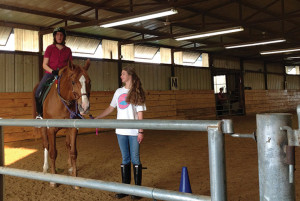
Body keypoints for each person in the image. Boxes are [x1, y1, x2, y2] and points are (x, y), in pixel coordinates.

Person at [95, 66, 146, 200]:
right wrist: (98, 117)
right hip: (121, 131)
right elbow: (111, 108)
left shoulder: (137, 92)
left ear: (129, 76)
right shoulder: (118, 92)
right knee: (125, 159)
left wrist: (141, 131)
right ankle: (125, 188)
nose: (121, 76)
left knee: (135, 158)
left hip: (134, 131)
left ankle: (137, 191)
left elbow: (140, 114)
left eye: (123, 74)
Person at [35, 27, 72, 119]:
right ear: (55, 36)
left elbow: (70, 65)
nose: (59, 36)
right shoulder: (49, 48)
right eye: (57, 34)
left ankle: (75, 112)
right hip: (50, 74)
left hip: (63, 75)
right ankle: (40, 114)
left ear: (64, 37)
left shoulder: (68, 50)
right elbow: (44, 64)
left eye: (61, 35)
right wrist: (53, 71)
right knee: (38, 92)